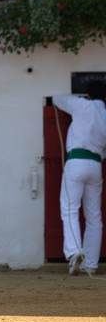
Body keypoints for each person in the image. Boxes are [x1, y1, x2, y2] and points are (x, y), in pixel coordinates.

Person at [52, 83, 106, 277]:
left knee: (69, 209)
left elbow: (56, 98)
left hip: (76, 161)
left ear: (89, 95)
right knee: (94, 216)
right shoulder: (105, 115)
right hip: (96, 165)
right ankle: (91, 264)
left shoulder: (83, 104)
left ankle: (75, 252)